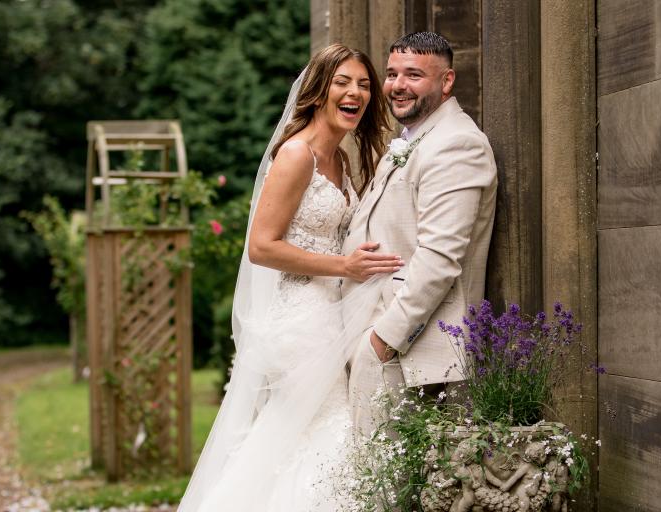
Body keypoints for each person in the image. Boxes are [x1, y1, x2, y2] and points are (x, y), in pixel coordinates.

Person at [178, 44, 397, 512]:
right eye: (342, 82)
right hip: (300, 318)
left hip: (327, 313)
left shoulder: (341, 159)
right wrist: (345, 266)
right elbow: (262, 246)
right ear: (318, 91)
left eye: (363, 84)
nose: (355, 92)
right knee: (329, 430)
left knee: (295, 436)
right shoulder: (297, 155)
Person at [343, 32, 498, 436]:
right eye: (392, 74)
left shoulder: (457, 144)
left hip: (404, 354)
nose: (397, 85)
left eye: (414, 75)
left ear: (446, 81)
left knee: (385, 487)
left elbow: (439, 259)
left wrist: (383, 341)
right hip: (371, 338)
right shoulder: (412, 140)